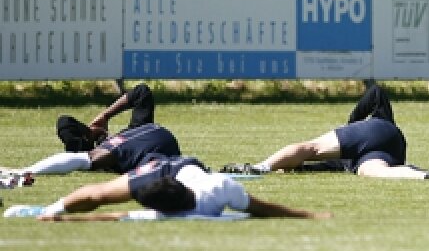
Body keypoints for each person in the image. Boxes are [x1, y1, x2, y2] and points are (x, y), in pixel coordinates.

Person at [5, 155, 328, 221]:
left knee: (100, 196)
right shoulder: (219, 188)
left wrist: (56, 218)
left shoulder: (215, 188)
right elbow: (94, 199)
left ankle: (50, 208)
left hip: (176, 172)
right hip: (171, 168)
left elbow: (113, 217)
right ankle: (53, 204)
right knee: (99, 193)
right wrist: (308, 215)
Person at [230, 83, 429, 180]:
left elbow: (376, 92)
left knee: (311, 148)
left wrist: (353, 123)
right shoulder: (382, 122)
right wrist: (300, 170)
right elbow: (377, 92)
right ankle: (421, 175)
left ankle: (260, 167)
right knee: (374, 172)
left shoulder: (359, 134)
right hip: (391, 151)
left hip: (373, 133)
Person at [18, 83, 181, 176]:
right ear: (87, 140)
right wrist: (25, 171)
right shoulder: (110, 151)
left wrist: (105, 116)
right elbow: (81, 159)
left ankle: (24, 171)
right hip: (151, 151)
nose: (91, 126)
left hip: (149, 142)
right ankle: (24, 171)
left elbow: (142, 92)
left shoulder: (135, 130)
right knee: (85, 156)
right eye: (88, 131)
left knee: (65, 123)